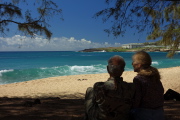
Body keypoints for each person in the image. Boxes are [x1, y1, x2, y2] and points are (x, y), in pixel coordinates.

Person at [84, 55, 134, 120]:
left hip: (102, 117)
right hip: (122, 117)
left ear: (107, 69)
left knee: (89, 90)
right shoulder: (131, 87)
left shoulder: (99, 86)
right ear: (123, 70)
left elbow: (93, 103)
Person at [131, 51, 164, 120]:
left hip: (145, 113)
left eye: (133, 62)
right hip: (159, 111)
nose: (132, 64)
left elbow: (137, 100)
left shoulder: (138, 79)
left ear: (139, 65)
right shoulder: (155, 76)